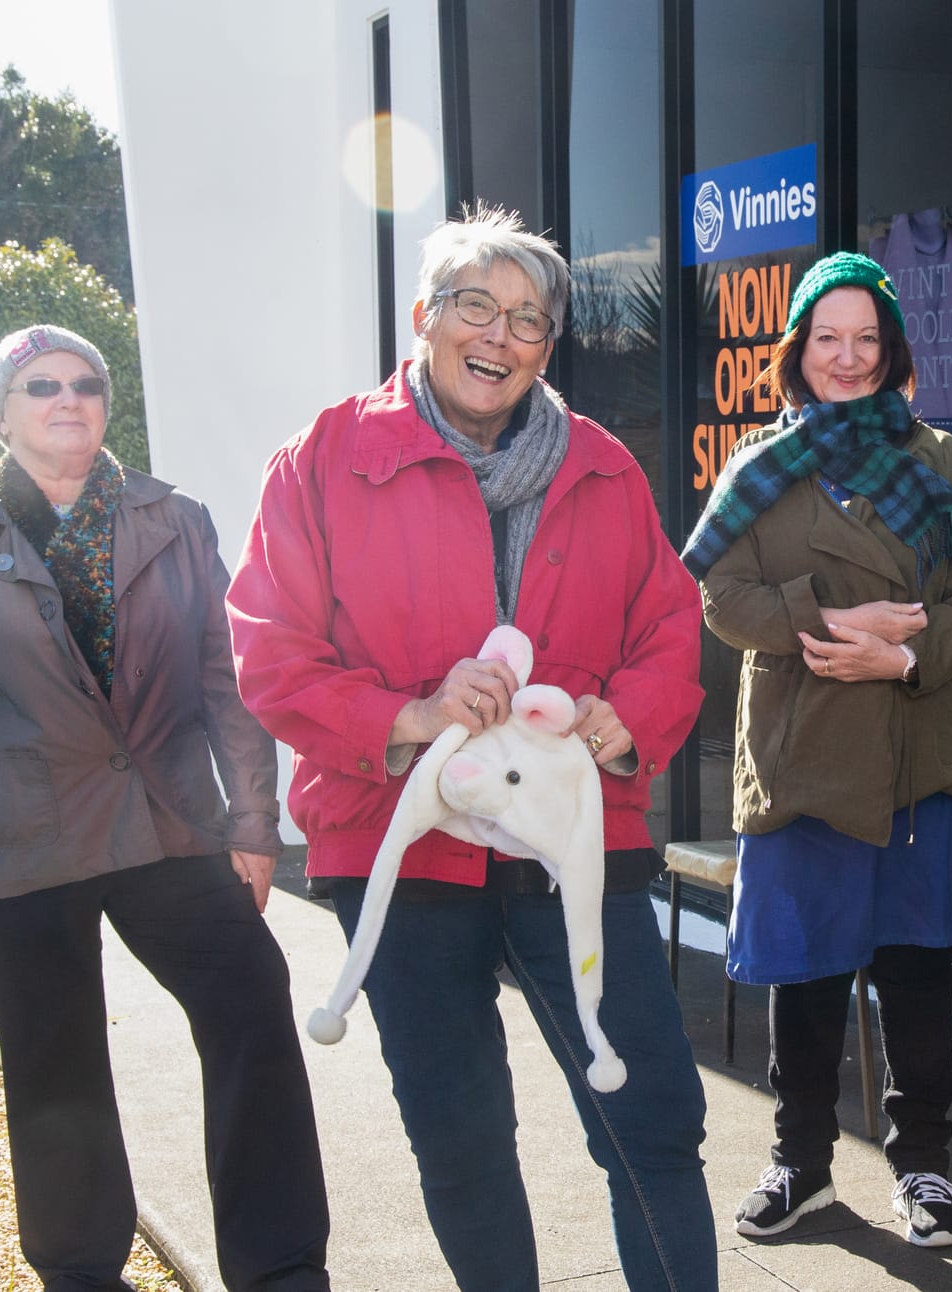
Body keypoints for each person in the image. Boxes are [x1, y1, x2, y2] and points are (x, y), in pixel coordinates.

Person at [225, 205, 715, 1292]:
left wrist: (621, 718)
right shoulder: (324, 458)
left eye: (529, 319)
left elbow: (668, 625)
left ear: (549, 346)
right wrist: (410, 716)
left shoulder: (602, 466)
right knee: (461, 1140)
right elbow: (269, 649)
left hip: (573, 844)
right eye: (475, 306)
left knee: (651, 1120)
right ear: (423, 317)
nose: (499, 335)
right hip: (398, 847)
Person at [0, 324, 330, 1292]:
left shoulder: (175, 519)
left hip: (168, 823)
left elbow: (225, 680)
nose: (69, 399)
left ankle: (281, 1266)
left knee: (251, 998)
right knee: (55, 1060)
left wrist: (253, 822)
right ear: (2, 415)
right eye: (41, 385)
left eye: (86, 384)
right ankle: (82, 1272)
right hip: (21, 841)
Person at [683, 252, 952, 1249]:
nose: (848, 356)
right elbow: (719, 596)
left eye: (867, 337)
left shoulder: (940, 459)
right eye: (828, 336)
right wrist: (826, 623)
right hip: (802, 754)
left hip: (917, 751)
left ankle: (922, 1167)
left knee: (915, 968)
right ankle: (802, 1165)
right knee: (809, 972)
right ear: (799, 349)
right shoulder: (758, 463)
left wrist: (900, 655)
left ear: (892, 349)